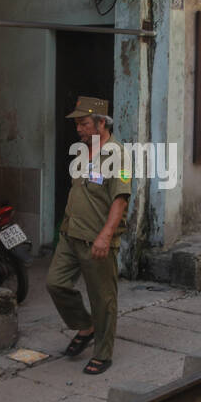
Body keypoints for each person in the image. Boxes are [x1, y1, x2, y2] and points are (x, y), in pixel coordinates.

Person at [47, 96, 131, 375]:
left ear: (100, 123)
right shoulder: (84, 150)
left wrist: (106, 236)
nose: (79, 129)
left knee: (102, 298)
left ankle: (103, 352)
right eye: (78, 125)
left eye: (83, 124)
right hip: (71, 233)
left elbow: (120, 200)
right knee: (55, 283)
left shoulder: (119, 155)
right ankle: (86, 326)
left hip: (97, 239)